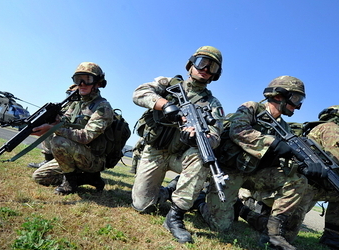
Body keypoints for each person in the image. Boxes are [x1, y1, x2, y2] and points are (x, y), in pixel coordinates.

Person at [196, 75, 309, 250]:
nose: (297, 106)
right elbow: (237, 130)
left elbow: (287, 157)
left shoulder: (285, 129)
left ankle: (274, 233)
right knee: (221, 226)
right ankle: (201, 201)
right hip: (230, 171)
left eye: (300, 100)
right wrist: (271, 142)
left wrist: (306, 166)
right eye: (295, 99)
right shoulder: (253, 108)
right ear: (278, 95)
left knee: (298, 180)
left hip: (256, 174)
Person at [132, 46, 225, 243]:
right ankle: (168, 191)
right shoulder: (168, 84)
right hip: (155, 151)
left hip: (180, 156)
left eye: (212, 67)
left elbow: (216, 135)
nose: (206, 69)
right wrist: (164, 105)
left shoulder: (213, 104)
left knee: (203, 154)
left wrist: (200, 139)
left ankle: (175, 215)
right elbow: (139, 93)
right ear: (191, 64)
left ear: (215, 74)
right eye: (202, 63)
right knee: (142, 205)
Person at [236, 105, 339, 250]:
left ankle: (333, 237)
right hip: (298, 186)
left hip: (309, 186)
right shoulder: (331, 129)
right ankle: (242, 209)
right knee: (285, 234)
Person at [30, 62, 113, 195]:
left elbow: (86, 137)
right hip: (74, 154)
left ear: (98, 83)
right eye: (78, 80)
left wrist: (52, 129)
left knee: (58, 141)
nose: (81, 84)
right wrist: (50, 121)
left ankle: (70, 181)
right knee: (40, 177)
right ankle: (86, 178)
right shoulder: (75, 104)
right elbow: (63, 122)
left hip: (94, 159)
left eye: (87, 79)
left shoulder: (103, 107)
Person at [27, 84, 78, 169]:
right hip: (66, 132)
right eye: (68, 94)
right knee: (47, 129)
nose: (70, 97)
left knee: (51, 132)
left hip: (75, 136)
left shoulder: (82, 106)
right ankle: (48, 160)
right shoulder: (66, 106)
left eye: (72, 94)